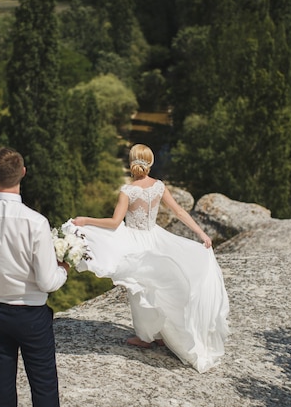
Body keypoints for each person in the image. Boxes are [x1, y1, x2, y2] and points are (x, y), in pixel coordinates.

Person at [72, 144, 230, 373]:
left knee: (139, 289)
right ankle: (158, 334)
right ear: (151, 163)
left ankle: (147, 336)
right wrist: (201, 233)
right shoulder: (159, 186)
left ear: (131, 163)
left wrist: (86, 220)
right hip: (156, 238)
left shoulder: (128, 190)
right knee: (157, 287)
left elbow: (115, 223)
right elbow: (180, 212)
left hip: (135, 241)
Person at [0, 147, 70, 407]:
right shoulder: (36, 222)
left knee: (2, 387)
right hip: (32, 316)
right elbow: (47, 282)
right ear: (23, 173)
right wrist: (63, 269)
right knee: (43, 387)